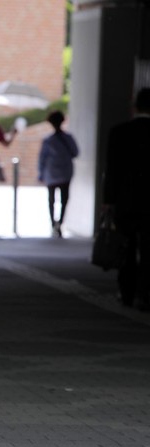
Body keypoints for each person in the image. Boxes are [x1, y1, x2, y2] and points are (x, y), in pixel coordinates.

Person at [103, 87, 150, 311]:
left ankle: (127, 291)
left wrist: (108, 200)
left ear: (135, 106)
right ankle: (144, 293)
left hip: (126, 200)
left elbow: (111, 170)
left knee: (126, 247)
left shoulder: (119, 132)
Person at [37, 110, 79, 237]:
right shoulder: (67, 138)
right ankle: (59, 223)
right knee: (63, 199)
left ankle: (54, 224)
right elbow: (75, 153)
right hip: (65, 172)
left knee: (51, 200)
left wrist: (40, 173)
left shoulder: (48, 140)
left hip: (51, 173)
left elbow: (42, 159)